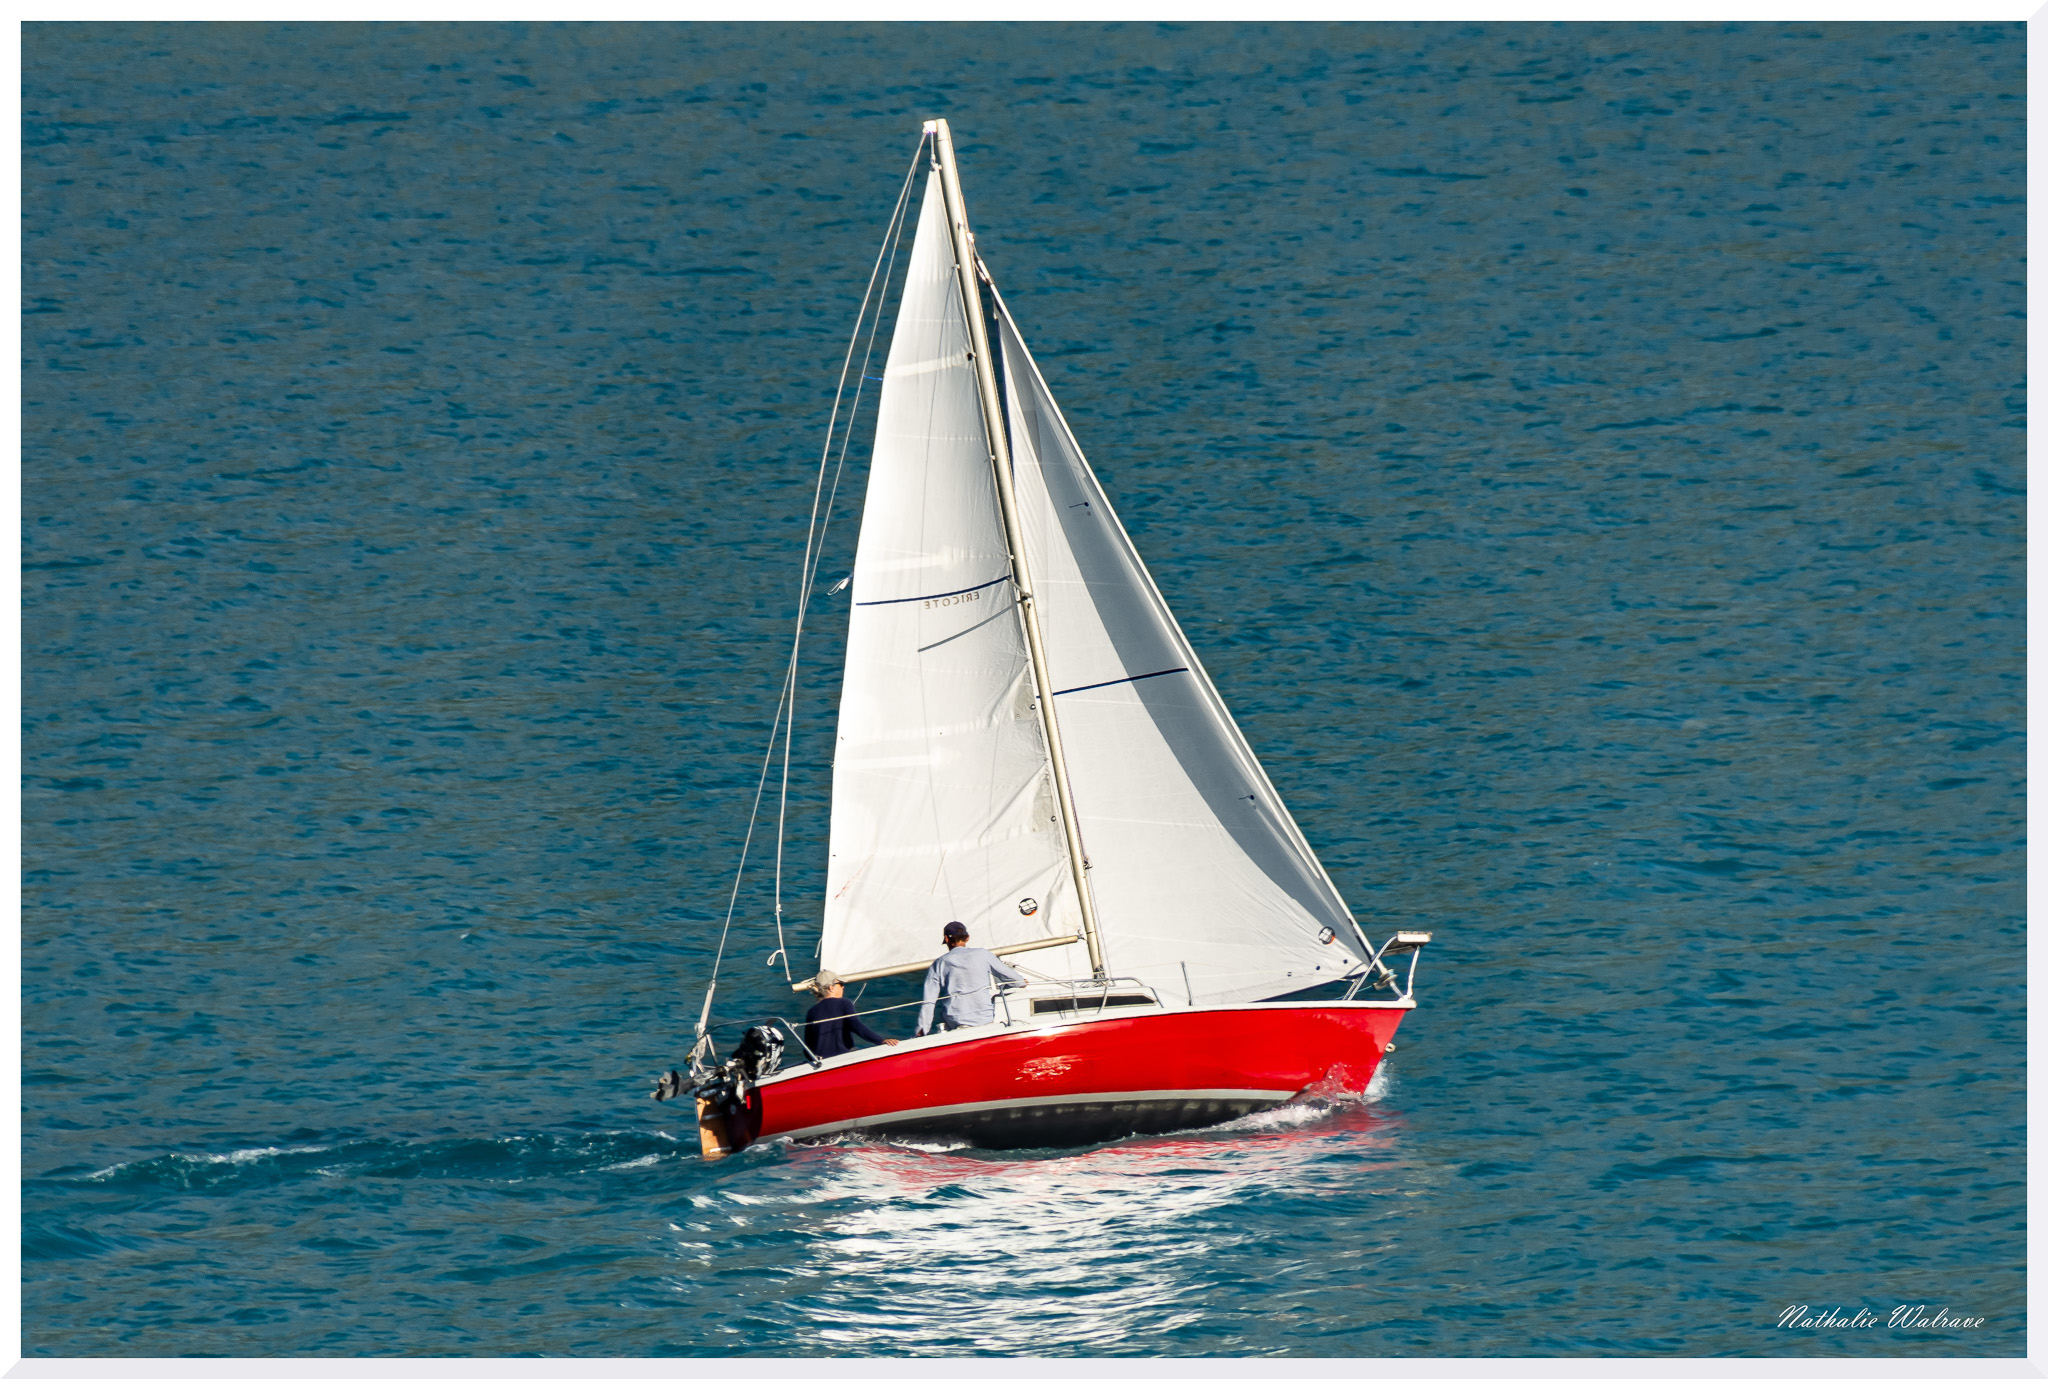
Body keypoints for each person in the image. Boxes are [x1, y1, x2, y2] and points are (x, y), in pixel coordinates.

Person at [916, 921, 1026, 1036]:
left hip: (955, 1022)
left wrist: (921, 1031)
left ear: (946, 940)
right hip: (984, 1020)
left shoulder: (939, 963)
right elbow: (1018, 982)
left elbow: (928, 1001)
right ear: (967, 938)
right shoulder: (983, 954)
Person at [801, 971, 899, 1060]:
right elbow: (856, 1026)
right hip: (843, 1057)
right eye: (840, 984)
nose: (843, 987)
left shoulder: (811, 1011)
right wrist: (881, 1040)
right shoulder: (844, 1003)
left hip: (822, 1061)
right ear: (831, 987)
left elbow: (807, 1048)